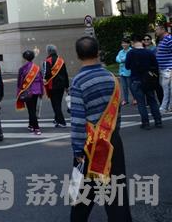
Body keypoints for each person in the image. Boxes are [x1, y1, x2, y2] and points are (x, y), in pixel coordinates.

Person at [70, 36, 131, 221]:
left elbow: (78, 120)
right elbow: (117, 112)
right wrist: (112, 134)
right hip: (112, 141)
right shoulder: (112, 78)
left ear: (78, 55)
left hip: (89, 145)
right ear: (98, 52)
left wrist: (77, 149)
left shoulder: (78, 81)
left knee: (83, 191)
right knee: (115, 190)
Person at [125, 34, 162, 129]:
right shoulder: (149, 52)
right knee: (152, 100)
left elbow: (127, 66)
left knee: (141, 103)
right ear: (142, 41)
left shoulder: (130, 53)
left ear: (132, 42)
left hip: (136, 79)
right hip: (148, 80)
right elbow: (155, 65)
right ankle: (158, 121)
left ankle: (145, 123)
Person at [17, 50, 45, 135]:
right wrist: (42, 91)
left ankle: (36, 128)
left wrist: (19, 91)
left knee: (31, 110)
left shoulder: (22, 68)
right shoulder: (37, 68)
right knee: (32, 109)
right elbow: (41, 80)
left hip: (27, 91)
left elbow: (20, 82)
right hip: (36, 91)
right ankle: (31, 124)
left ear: (24, 58)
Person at [43, 44, 69, 127]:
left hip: (52, 85)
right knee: (58, 103)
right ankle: (57, 119)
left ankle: (62, 122)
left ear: (48, 51)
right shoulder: (61, 60)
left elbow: (46, 74)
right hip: (61, 85)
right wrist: (67, 86)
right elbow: (65, 74)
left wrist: (43, 79)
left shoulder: (47, 61)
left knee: (55, 104)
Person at [155, 24, 172, 113]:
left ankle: (164, 107)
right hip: (163, 68)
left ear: (163, 30)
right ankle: (169, 106)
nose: (156, 31)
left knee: (166, 89)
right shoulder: (162, 40)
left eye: (157, 29)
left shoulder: (169, 39)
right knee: (166, 89)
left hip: (168, 69)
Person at [115, 38, 133, 106]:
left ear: (129, 44)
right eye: (123, 43)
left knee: (131, 87)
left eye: (125, 43)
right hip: (122, 72)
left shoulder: (131, 51)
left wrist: (122, 60)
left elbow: (127, 59)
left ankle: (135, 98)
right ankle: (125, 100)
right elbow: (117, 58)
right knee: (124, 87)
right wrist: (121, 60)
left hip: (129, 72)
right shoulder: (121, 51)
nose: (124, 44)